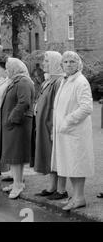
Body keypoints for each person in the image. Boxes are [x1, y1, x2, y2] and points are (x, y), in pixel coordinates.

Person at [51, 51, 94, 211]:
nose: (69, 64)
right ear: (61, 64)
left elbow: (86, 107)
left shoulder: (81, 82)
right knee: (70, 164)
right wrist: (58, 126)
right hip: (65, 131)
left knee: (76, 164)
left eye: (72, 62)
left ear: (79, 64)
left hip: (75, 131)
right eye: (66, 61)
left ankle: (79, 197)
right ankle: (76, 197)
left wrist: (68, 121)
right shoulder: (66, 80)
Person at [33, 51, 68, 200]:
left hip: (51, 125)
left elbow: (58, 107)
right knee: (49, 156)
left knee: (57, 156)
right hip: (44, 124)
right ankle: (52, 187)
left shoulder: (59, 82)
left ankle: (61, 189)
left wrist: (54, 126)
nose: (43, 64)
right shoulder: (49, 81)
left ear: (54, 63)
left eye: (47, 61)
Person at [0, 57, 35, 199]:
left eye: (9, 68)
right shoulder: (16, 80)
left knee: (16, 156)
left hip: (18, 124)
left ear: (15, 69)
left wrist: (11, 118)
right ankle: (16, 182)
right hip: (13, 124)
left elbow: (24, 102)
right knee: (13, 156)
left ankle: (18, 185)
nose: (7, 70)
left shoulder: (23, 81)